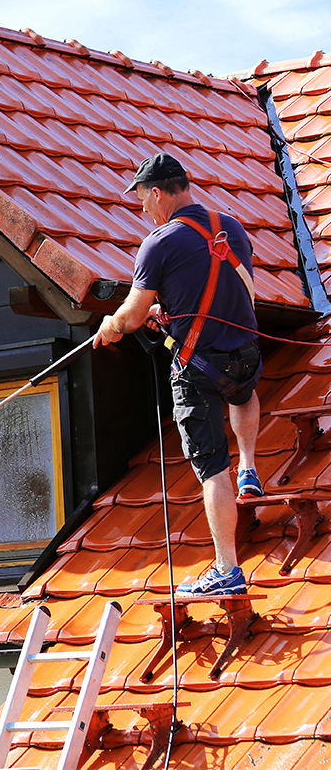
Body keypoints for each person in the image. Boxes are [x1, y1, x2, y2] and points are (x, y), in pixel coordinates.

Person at [94, 153, 262, 595]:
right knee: (244, 396)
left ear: (156, 192)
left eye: (142, 200)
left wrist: (110, 327)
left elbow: (130, 317)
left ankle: (226, 570)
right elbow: (219, 281)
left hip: (199, 366)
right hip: (245, 355)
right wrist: (168, 309)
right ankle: (251, 468)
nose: (142, 209)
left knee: (211, 469)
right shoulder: (232, 225)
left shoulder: (158, 242)